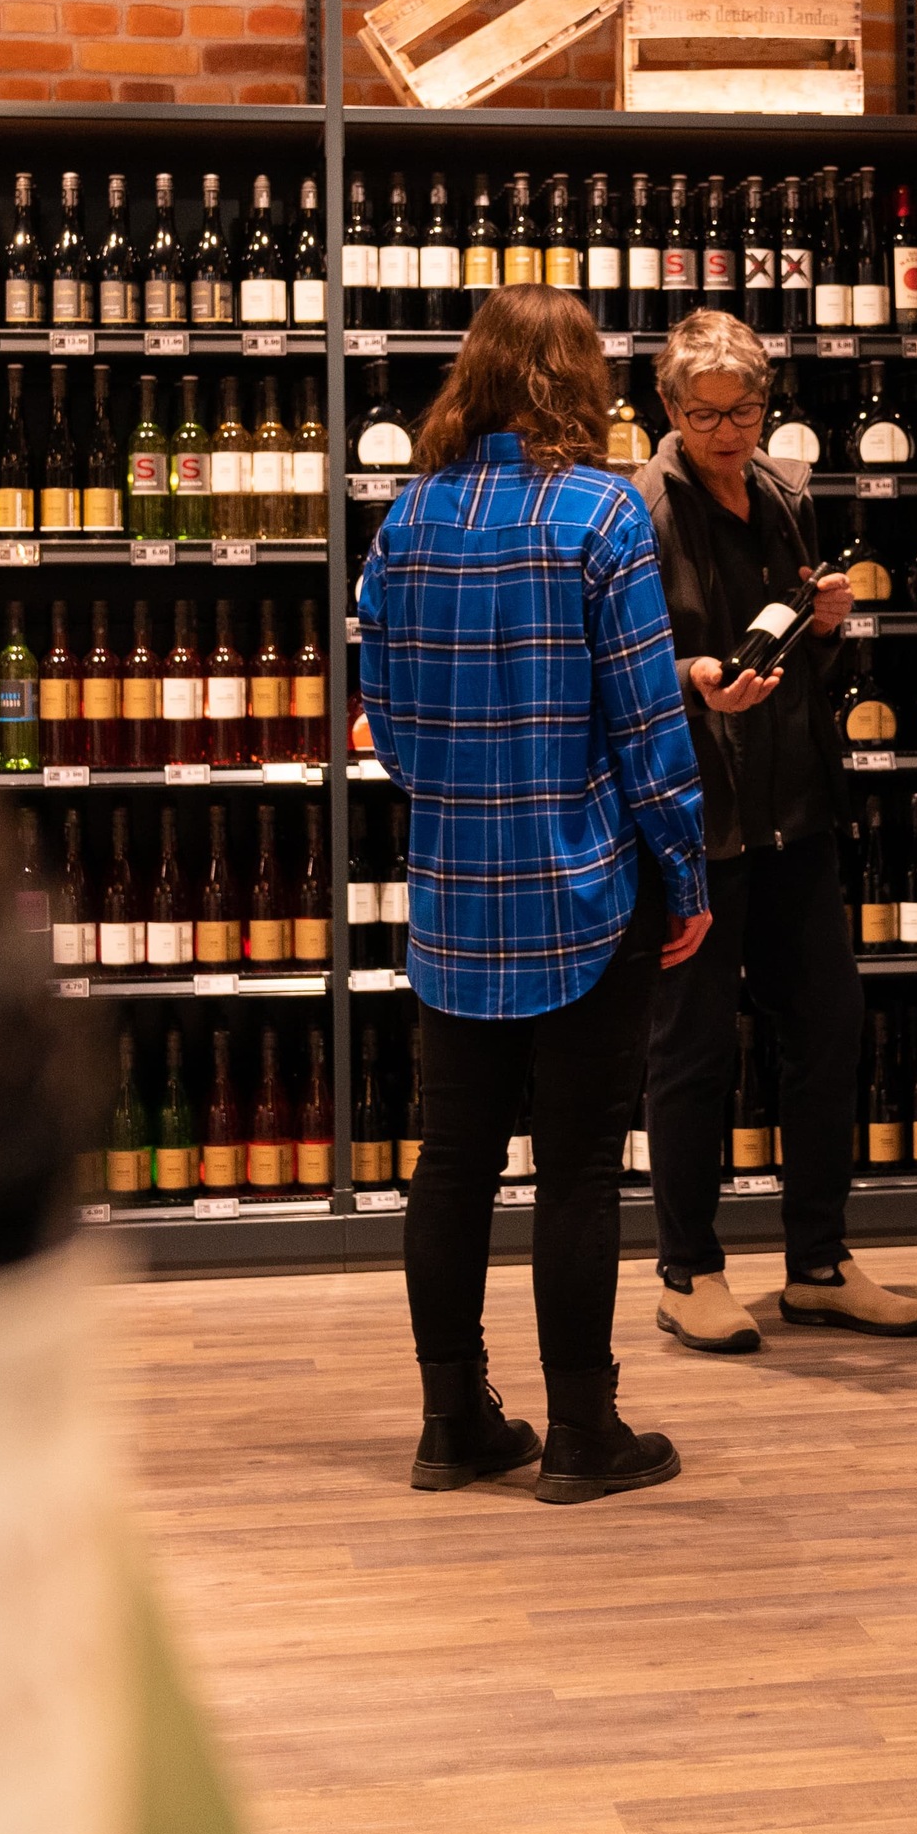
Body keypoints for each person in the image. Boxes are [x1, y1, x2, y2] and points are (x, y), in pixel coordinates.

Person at [351, 284, 708, 1504]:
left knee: (449, 1162)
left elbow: (384, 727)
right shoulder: (601, 514)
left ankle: (453, 1420)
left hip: (454, 893)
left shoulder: (407, 518)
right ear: (578, 383)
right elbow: (649, 725)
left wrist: (457, 789)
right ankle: (581, 1432)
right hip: (584, 894)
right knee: (577, 1170)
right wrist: (685, 871)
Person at [634, 311, 917, 1354]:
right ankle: (688, 1269)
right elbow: (619, 666)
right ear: (669, 410)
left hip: (796, 816)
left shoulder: (785, 494)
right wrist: (692, 681)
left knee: (828, 1029)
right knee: (694, 1049)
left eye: (746, 408)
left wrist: (821, 629)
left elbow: (800, 676)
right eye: (707, 412)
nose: (729, 429)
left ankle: (817, 1261)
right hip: (696, 822)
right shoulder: (636, 510)